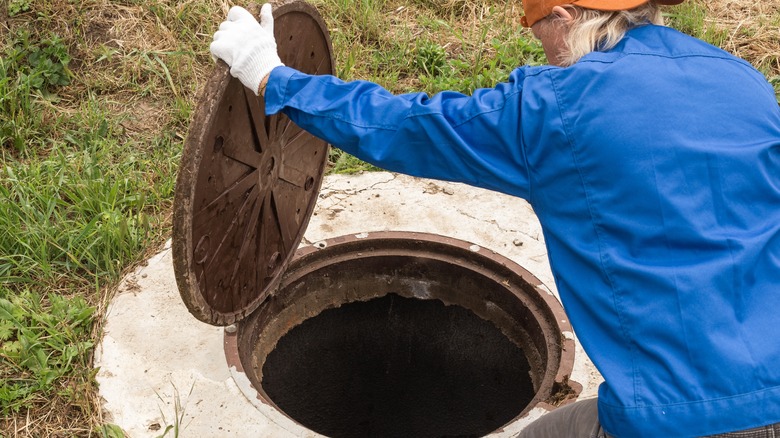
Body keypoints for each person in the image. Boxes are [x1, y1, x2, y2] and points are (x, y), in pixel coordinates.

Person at [209, 0, 780, 436]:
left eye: (539, 34)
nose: (544, 53)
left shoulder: (557, 108)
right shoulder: (744, 82)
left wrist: (272, 77)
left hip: (678, 418)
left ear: (563, 17)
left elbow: (408, 126)